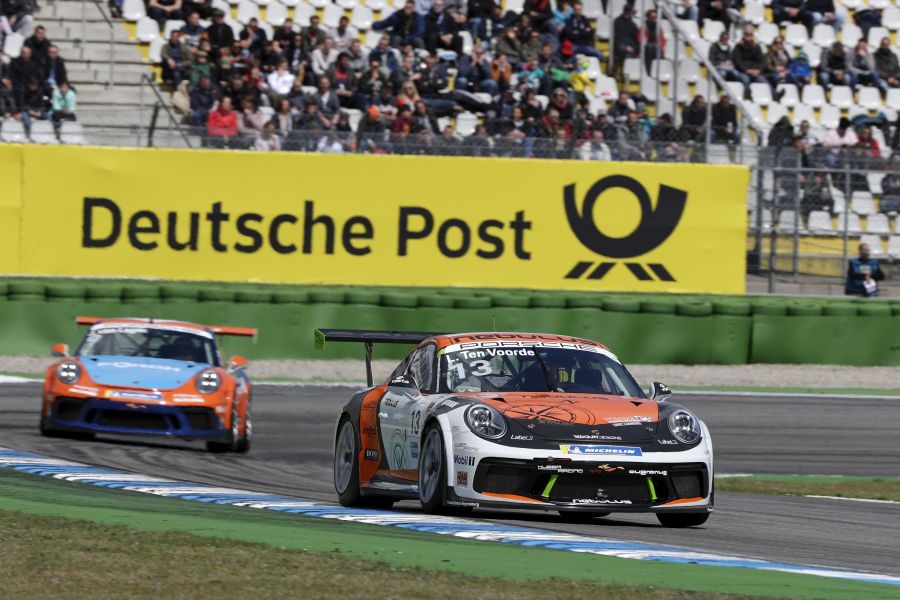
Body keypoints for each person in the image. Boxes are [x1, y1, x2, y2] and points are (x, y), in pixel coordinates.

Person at [732, 26, 767, 91]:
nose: (748, 35)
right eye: (747, 33)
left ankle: (774, 95)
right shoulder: (738, 46)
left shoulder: (756, 46)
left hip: (755, 71)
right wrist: (747, 70)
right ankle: (746, 95)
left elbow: (762, 61)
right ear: (744, 34)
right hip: (743, 71)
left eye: (750, 34)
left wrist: (758, 70)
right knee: (745, 79)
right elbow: (737, 61)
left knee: (763, 81)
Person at [612, 3, 639, 80]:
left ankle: (628, 74)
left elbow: (634, 38)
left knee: (638, 50)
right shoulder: (618, 21)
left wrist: (635, 48)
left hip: (631, 46)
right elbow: (619, 37)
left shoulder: (633, 24)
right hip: (620, 45)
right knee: (627, 54)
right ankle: (625, 75)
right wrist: (627, 47)